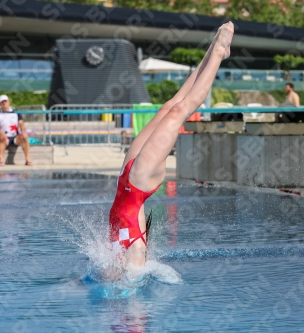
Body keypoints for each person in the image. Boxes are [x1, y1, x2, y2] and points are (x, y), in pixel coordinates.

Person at [109, 22, 234, 268]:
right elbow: (134, 290)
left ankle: (213, 50)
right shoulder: (135, 259)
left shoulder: (112, 263)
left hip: (126, 177)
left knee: (169, 106)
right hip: (139, 182)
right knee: (179, 112)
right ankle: (219, 53)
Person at [0, 95, 33, 166]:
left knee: (24, 137)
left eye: (5, 101)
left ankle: (28, 159)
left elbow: (21, 124)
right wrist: (2, 134)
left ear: (9, 102)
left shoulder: (16, 113)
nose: (4, 103)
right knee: (2, 138)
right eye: (2, 102)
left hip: (14, 137)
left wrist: (23, 132)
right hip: (4, 138)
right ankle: (1, 160)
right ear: (0, 104)